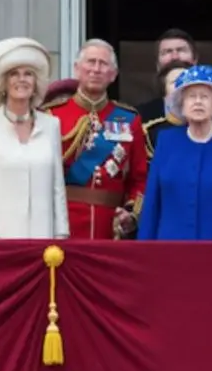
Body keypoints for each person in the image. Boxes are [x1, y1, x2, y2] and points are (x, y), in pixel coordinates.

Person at [0, 37, 70, 240]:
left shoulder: (51, 125)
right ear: (4, 83)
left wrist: (61, 233)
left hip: (41, 241)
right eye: (14, 74)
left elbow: (57, 187)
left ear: (36, 83)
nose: (22, 79)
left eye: (28, 74)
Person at [42, 38, 147, 240]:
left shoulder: (129, 119)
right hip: (62, 224)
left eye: (103, 63)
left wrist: (131, 213)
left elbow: (139, 178)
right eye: (91, 62)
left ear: (113, 75)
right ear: (77, 69)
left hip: (109, 227)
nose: (96, 69)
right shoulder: (52, 115)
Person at [137, 65, 212, 240]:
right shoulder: (166, 141)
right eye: (191, 97)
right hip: (169, 248)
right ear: (182, 106)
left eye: (205, 97)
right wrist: (145, 247)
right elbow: (153, 200)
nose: (198, 102)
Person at [142, 60, 192, 160]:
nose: (182, 85)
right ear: (164, 93)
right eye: (175, 82)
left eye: (188, 80)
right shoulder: (150, 133)